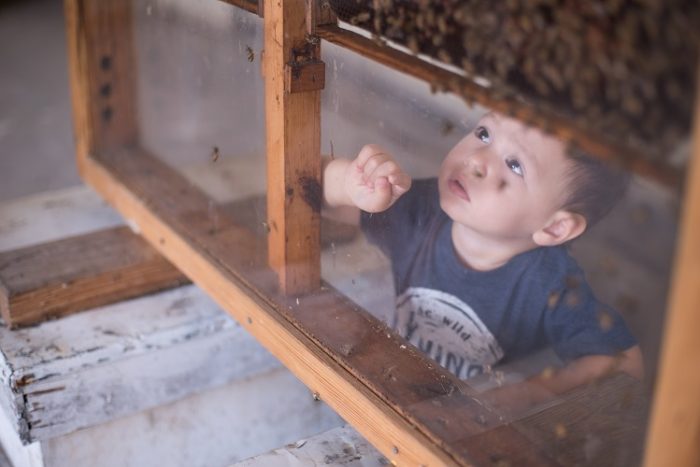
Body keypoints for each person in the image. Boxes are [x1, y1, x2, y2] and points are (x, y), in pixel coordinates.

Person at [322, 112, 643, 412]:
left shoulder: (549, 282)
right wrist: (350, 185)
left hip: (464, 427)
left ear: (555, 227)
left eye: (515, 165)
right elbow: (311, 195)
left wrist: (533, 391)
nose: (476, 160)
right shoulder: (421, 210)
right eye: (484, 133)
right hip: (389, 389)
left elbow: (625, 361)